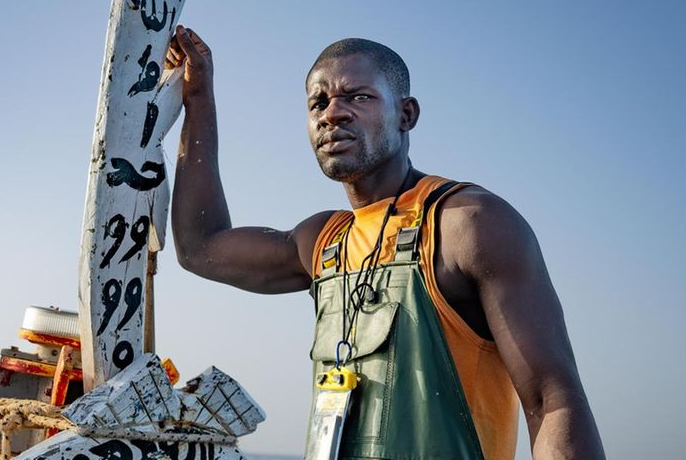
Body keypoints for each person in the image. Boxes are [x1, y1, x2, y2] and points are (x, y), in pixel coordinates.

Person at [162, 25, 605, 460]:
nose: (332, 113)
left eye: (359, 97)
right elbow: (202, 246)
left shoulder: (467, 224)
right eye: (318, 102)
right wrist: (198, 99)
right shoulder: (323, 241)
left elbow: (553, 403)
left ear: (406, 114)